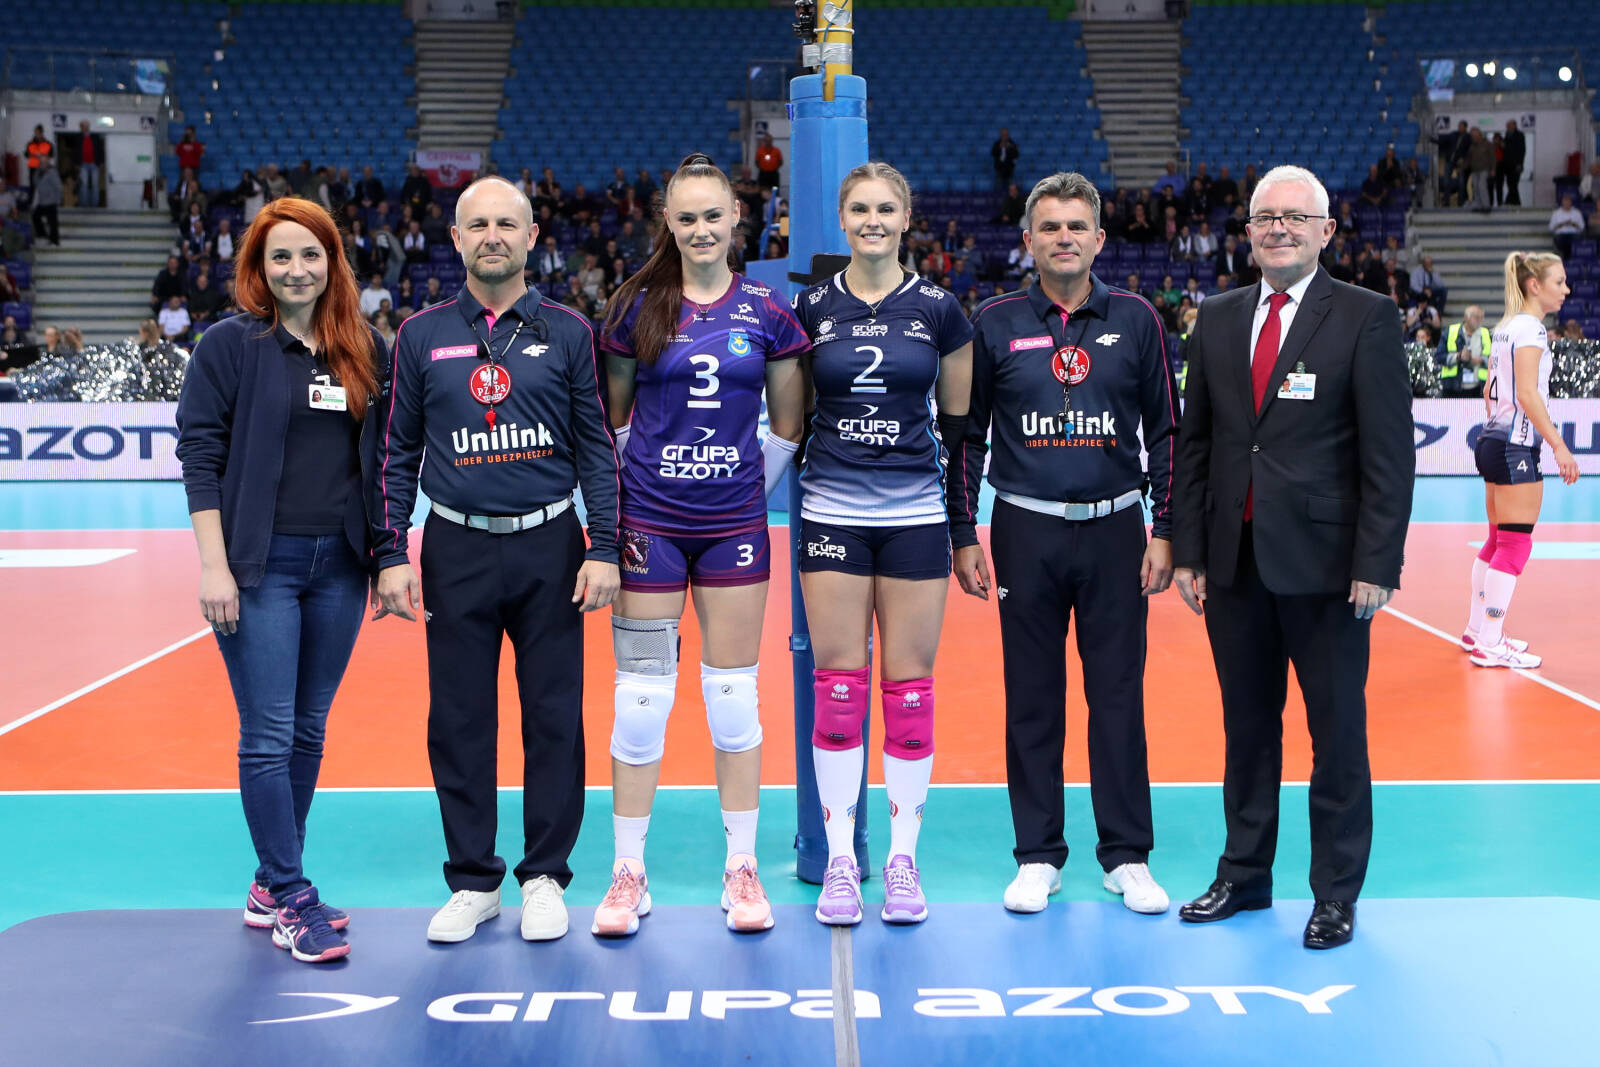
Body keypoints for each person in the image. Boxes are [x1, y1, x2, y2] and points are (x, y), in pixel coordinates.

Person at [371, 175, 620, 945]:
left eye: (506, 224)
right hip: (456, 547)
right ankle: (473, 880)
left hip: (552, 545)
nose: (492, 237)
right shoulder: (420, 334)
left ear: (532, 236)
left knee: (554, 716)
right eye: (477, 225)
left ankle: (545, 875)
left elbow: (596, 447)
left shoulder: (570, 330)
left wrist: (606, 545)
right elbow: (396, 452)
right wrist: (390, 551)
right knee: (459, 719)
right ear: (455, 239)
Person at [1170, 165, 1414, 950]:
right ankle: (1244, 874)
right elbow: (1198, 443)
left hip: (1330, 568)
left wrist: (1377, 561)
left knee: (1336, 734)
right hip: (1234, 563)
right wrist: (1190, 550)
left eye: (1295, 217)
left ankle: (1335, 892)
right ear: (1248, 232)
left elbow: (1389, 454)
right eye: (1265, 217)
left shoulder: (1367, 316)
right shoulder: (1217, 316)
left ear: (1326, 231)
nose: (1279, 228)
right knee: (1247, 729)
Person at [951, 171, 1178, 918]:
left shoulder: (1137, 319)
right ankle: (1038, 855)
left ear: (1100, 238)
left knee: (1118, 696)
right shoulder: (993, 321)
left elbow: (1167, 433)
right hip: (1026, 529)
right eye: (1049, 226)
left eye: (1077, 225)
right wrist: (963, 532)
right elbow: (968, 436)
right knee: (1032, 697)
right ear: (1028, 240)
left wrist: (1166, 528)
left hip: (1117, 530)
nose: (1064, 237)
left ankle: (1127, 854)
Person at [594, 154, 808, 937]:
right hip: (649, 527)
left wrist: (742, 486)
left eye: (713, 215)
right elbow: (614, 420)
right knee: (640, 700)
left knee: (733, 697)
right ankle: (628, 872)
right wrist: (648, 489)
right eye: (686, 218)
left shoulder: (768, 310)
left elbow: (788, 423)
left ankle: (741, 868)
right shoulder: (635, 305)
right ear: (669, 223)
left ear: (736, 217)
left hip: (734, 529)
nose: (701, 229)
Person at [175, 197, 386, 965]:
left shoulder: (363, 346)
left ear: (333, 261)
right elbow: (199, 454)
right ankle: (294, 895)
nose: (297, 269)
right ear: (259, 270)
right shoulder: (229, 346)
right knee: (267, 733)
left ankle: (272, 885)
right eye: (280, 257)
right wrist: (215, 564)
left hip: (341, 568)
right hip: (259, 568)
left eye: (310, 254)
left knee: (307, 728)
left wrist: (383, 557)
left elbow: (382, 461)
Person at [789, 162, 974, 927]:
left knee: (910, 689)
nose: (873, 220)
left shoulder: (939, 309)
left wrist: (961, 529)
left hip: (914, 514)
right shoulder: (810, 307)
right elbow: (792, 419)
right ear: (843, 217)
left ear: (906, 218)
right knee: (837, 686)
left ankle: (901, 860)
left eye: (886, 208)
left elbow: (958, 431)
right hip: (831, 509)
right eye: (860, 208)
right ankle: (841, 859)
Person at [1464, 252, 1579, 668]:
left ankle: (1477, 629)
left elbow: (1490, 390)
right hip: (1515, 446)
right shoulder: (1531, 329)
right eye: (1559, 282)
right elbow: (1528, 394)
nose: (1566, 290)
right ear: (1535, 285)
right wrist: (1559, 446)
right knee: (1514, 544)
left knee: (1497, 539)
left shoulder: (1506, 327)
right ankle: (1490, 641)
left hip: (1493, 440)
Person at [1436, 304, 1490, 396]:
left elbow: (1496, 359)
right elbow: (1439, 357)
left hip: (1479, 388)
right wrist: (1458, 357)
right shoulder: (1450, 331)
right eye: (1476, 317)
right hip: (1452, 387)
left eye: (1482, 317)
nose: (1479, 320)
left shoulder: (1486, 334)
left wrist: (1482, 360)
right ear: (1466, 317)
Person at [31, 160, 62, 246]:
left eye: (44, 163)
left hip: (51, 201)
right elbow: (35, 183)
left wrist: (58, 200)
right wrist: (37, 172)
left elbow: (58, 187)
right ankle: (43, 234)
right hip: (42, 202)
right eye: (40, 163)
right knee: (35, 216)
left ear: (47, 164)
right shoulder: (38, 173)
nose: (42, 165)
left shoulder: (52, 173)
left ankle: (55, 241)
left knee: (52, 222)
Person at [1548, 195, 1584, 259]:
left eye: (1568, 202)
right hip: (1561, 235)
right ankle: (1565, 257)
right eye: (1565, 202)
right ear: (1562, 203)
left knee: (1575, 239)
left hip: (1573, 234)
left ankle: (1569, 257)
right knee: (1560, 239)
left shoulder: (1577, 213)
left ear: (1571, 202)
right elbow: (1551, 228)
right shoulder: (1556, 213)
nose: (1567, 204)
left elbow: (1582, 228)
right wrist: (1562, 224)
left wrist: (1573, 224)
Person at [74, 120, 100, 208]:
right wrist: (76, 163)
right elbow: (75, 151)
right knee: (84, 184)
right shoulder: (78, 138)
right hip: (83, 165)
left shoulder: (95, 137)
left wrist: (101, 162)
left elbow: (100, 149)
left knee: (95, 184)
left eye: (87, 126)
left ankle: (94, 205)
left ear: (89, 127)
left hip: (94, 164)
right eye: (84, 126)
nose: (85, 128)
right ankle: (84, 204)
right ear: (81, 128)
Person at [1502, 120, 1526, 207]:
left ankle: (1509, 201)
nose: (1507, 127)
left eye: (1509, 125)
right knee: (1510, 184)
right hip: (1507, 165)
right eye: (1507, 125)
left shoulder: (1519, 135)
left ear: (1514, 125)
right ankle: (1516, 203)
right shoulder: (1507, 135)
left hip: (1516, 165)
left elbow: (1521, 150)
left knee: (1513, 184)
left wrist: (1519, 164)